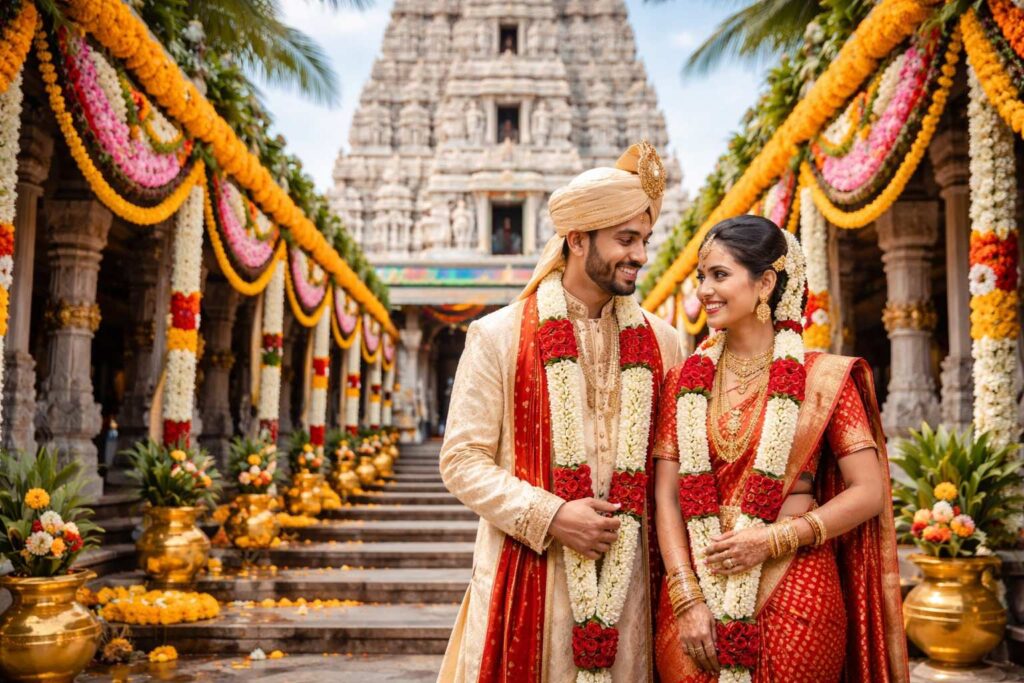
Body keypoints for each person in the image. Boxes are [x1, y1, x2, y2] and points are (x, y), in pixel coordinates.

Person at [438, 142, 684, 682]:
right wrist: (551, 515)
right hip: (528, 577)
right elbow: (461, 460)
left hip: (633, 592)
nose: (640, 255)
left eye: (644, 240)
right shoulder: (498, 335)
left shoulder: (664, 343)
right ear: (577, 240)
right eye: (625, 239)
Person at [652, 215, 909, 682]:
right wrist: (686, 595)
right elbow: (667, 496)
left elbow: (868, 491)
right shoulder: (683, 382)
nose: (705, 290)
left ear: (766, 282)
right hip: (697, 596)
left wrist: (772, 539)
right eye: (701, 278)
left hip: (795, 585)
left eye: (720, 275)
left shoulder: (820, 378)